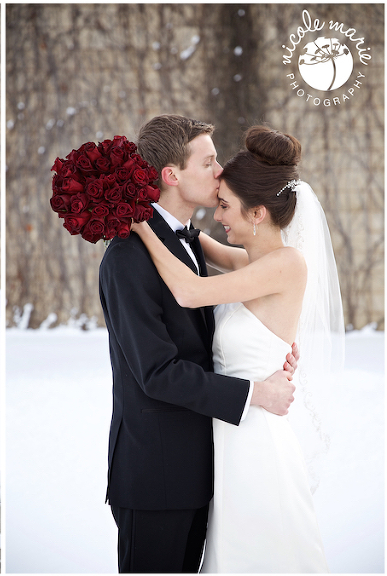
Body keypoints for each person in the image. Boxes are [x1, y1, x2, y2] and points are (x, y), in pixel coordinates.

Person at [130, 125, 343, 571]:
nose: (219, 214)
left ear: (259, 212)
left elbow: (188, 291)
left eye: (226, 205)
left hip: (256, 437)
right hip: (227, 431)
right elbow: (191, 242)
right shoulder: (254, 261)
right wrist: (152, 211)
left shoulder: (286, 264)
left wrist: (139, 226)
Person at [98, 115, 299, 573]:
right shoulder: (129, 257)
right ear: (172, 175)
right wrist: (255, 392)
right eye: (208, 162)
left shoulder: (187, 243)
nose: (219, 172)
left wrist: (274, 342)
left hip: (210, 468)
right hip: (158, 477)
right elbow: (158, 373)